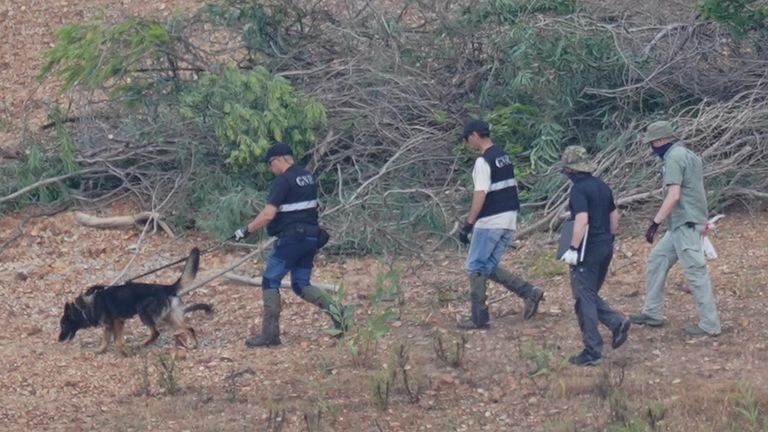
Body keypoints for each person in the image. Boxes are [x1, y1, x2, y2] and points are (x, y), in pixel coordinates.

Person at [233, 142, 344, 347]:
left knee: (270, 280)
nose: (270, 168)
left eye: (270, 164)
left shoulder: (283, 181)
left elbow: (268, 215)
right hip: (311, 239)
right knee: (301, 284)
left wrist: (245, 230)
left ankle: (270, 336)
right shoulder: (307, 178)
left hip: (291, 241)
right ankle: (340, 314)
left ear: (279, 160)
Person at [629, 121, 721, 337]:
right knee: (657, 260)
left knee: (695, 273)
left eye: (652, 143)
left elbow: (674, 195)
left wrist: (655, 222)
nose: (652, 148)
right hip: (685, 223)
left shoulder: (673, 158)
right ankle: (652, 312)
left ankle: (710, 325)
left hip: (685, 224)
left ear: (661, 141)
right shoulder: (690, 155)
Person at [456, 119, 544, 330]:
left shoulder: (483, 161)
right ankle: (529, 292)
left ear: (475, 135)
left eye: (468, 139)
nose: (469, 144)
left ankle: (479, 318)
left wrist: (468, 224)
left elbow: (480, 195)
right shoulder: (503, 157)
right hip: (509, 220)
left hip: (490, 222)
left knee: (475, 267)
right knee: (488, 267)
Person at [558, 146, 630, 366]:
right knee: (588, 294)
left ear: (570, 169)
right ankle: (616, 323)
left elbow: (581, 221)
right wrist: (608, 240)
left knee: (584, 297)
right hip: (605, 246)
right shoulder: (602, 186)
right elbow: (614, 218)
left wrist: (572, 247)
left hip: (586, 249)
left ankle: (593, 350)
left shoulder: (578, 190)